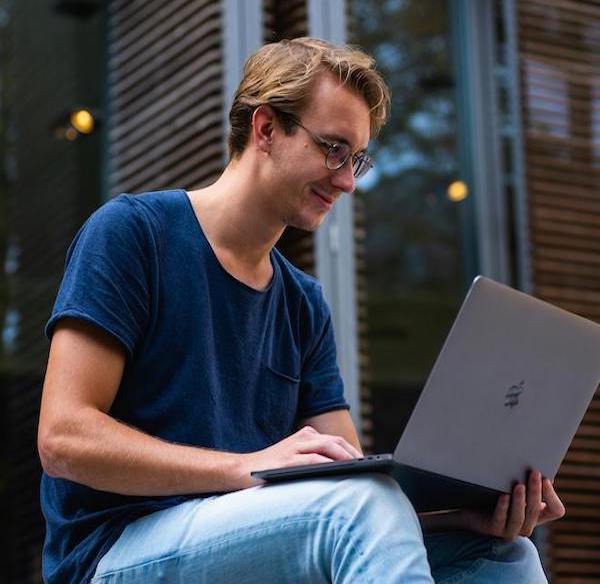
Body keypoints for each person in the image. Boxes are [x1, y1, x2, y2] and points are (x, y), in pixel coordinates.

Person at [38, 38, 564, 584]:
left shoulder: (303, 302)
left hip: (248, 542)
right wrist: (244, 468)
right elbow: (63, 439)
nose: (348, 180)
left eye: (357, 158)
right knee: (359, 507)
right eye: (333, 149)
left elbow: (356, 484)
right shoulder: (133, 234)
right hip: (114, 553)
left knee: (503, 555)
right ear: (266, 129)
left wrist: (465, 515)